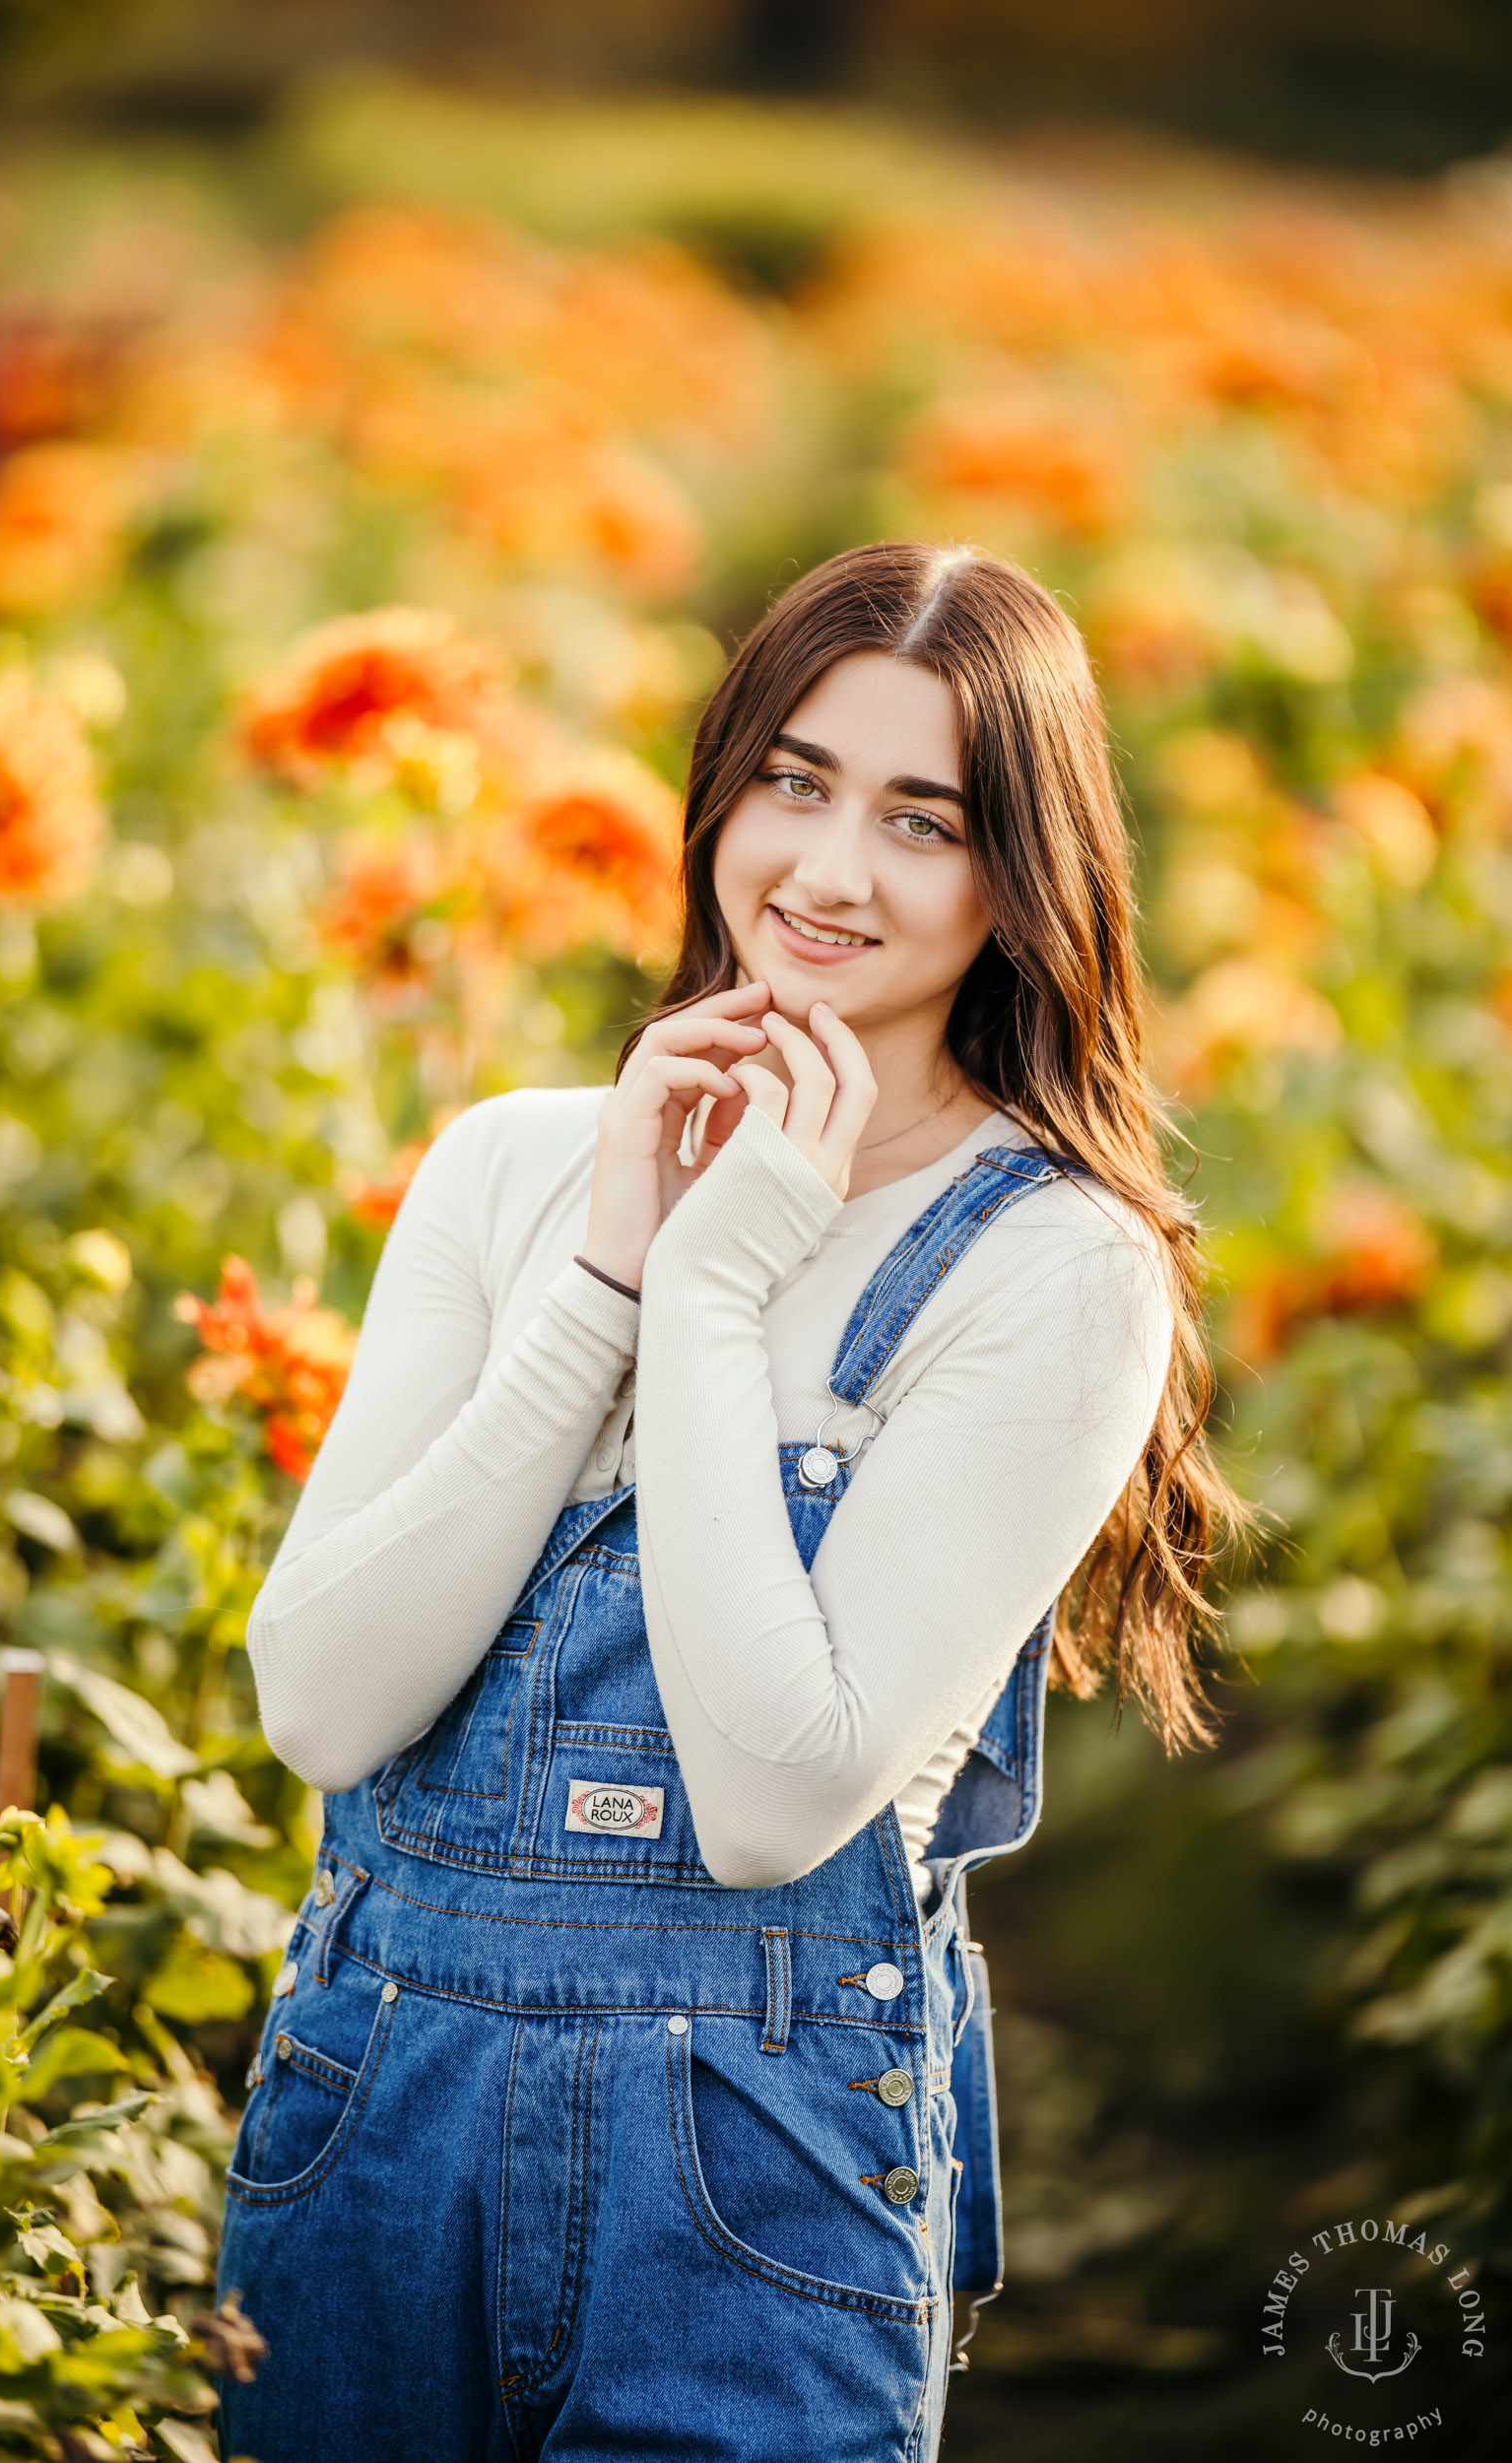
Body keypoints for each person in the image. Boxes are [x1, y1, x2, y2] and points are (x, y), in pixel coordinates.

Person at [218, 541, 1239, 2462]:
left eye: (922, 819)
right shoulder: (513, 1168)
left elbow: (775, 1796)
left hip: (752, 2167)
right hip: (372, 2107)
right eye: (793, 779)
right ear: (719, 795)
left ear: (1026, 879)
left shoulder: (1053, 1263)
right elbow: (323, 1707)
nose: (831, 870)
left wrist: (705, 1293)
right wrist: (608, 1266)